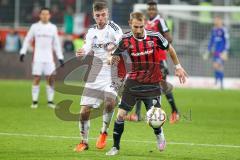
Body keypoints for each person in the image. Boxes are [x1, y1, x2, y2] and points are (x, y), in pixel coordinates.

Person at [106, 12, 187, 156]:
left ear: (144, 24)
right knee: (121, 115)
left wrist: (178, 67)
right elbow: (114, 55)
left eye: (141, 26)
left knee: (155, 117)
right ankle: (115, 147)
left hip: (152, 83)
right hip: (133, 81)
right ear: (130, 23)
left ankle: (159, 134)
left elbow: (170, 48)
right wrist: (111, 59)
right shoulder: (125, 39)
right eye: (135, 27)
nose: (138, 30)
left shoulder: (155, 36)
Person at [74, 1, 123, 152]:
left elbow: (122, 40)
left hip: (112, 72)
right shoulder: (91, 32)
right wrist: (81, 52)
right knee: (84, 112)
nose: (100, 18)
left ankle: (103, 132)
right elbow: (87, 47)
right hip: (95, 73)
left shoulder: (113, 28)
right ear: (94, 16)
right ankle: (84, 141)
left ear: (107, 14)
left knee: (110, 101)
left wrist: (114, 54)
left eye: (103, 15)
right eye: (97, 16)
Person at [127, 0, 180, 124]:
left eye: (153, 9)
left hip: (159, 60)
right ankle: (137, 114)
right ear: (147, 10)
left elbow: (169, 38)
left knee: (162, 85)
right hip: (147, 60)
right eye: (150, 9)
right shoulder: (145, 23)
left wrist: (159, 45)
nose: (151, 11)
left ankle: (175, 112)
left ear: (156, 10)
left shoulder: (160, 21)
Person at [19, 7, 64, 109]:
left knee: (50, 79)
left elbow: (56, 44)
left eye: (46, 14)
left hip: (49, 58)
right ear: (40, 15)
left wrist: (60, 57)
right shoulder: (34, 27)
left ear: (49, 15)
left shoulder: (53, 27)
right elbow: (27, 40)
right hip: (38, 58)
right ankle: (34, 101)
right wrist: (23, 52)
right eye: (43, 14)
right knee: (37, 78)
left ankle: (50, 101)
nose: (44, 16)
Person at [207, 16, 229, 89]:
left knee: (218, 67)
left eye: (217, 20)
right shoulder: (214, 30)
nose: (215, 22)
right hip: (215, 52)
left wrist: (225, 51)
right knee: (216, 67)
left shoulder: (223, 30)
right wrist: (208, 50)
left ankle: (220, 84)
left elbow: (227, 41)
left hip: (221, 52)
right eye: (215, 20)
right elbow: (211, 40)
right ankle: (217, 83)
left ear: (220, 21)